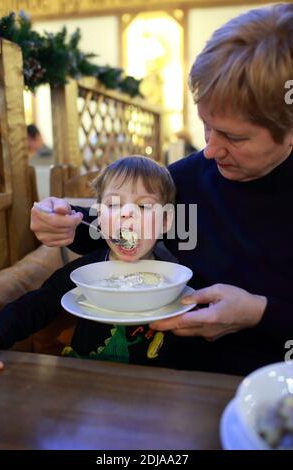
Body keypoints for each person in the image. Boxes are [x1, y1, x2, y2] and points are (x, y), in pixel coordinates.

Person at [30, 3, 293, 376]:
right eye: (206, 125)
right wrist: (65, 222)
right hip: (179, 384)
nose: (211, 150)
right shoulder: (188, 179)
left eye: (234, 137)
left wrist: (259, 313)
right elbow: (130, 227)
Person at [0, 156, 176, 370]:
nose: (127, 213)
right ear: (99, 215)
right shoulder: (84, 271)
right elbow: (34, 306)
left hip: (156, 386)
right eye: (113, 204)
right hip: (86, 381)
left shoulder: (175, 276)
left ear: (165, 220)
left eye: (144, 206)